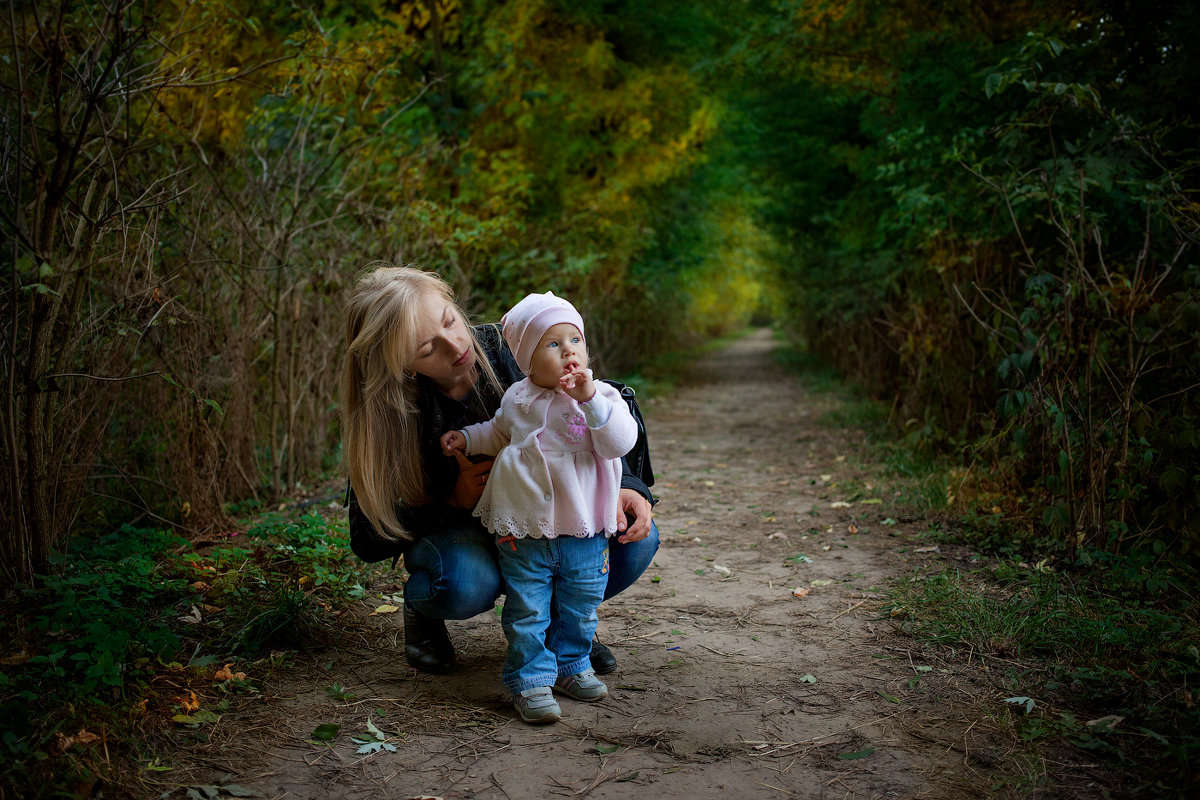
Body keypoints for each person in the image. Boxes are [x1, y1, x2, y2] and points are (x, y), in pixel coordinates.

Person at [341, 266, 658, 683]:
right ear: (398, 364)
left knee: (635, 539)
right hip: (464, 535)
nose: (455, 346)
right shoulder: (389, 413)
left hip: (551, 520)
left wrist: (626, 486)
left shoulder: (516, 342)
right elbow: (367, 539)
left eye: (450, 321)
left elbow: (603, 407)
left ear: (453, 304)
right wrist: (448, 500)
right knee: (462, 582)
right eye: (426, 349)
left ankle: (563, 632)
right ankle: (422, 608)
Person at [440, 292, 635, 723]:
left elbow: (619, 443)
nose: (568, 351)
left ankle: (571, 665)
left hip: (583, 528)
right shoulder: (517, 398)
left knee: (581, 604)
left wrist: (591, 401)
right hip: (525, 529)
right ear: (527, 360)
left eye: (575, 340)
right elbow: (498, 432)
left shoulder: (602, 396)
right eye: (552, 344)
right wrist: (468, 439)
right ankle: (529, 680)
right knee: (527, 608)